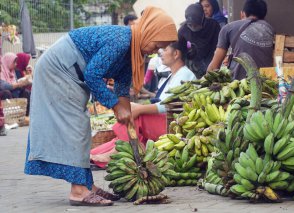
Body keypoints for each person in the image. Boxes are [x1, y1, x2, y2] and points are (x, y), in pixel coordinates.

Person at [24, 7, 178, 207]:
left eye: (161, 47)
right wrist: (115, 106)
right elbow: (93, 75)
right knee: (77, 125)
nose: (155, 50)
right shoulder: (122, 40)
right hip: (59, 69)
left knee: (80, 126)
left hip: (72, 72)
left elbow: (122, 88)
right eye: (157, 44)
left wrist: (127, 115)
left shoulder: (132, 51)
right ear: (148, 31)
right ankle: (79, 191)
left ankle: (88, 185)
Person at [90, 39, 197, 167]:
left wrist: (140, 109)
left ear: (176, 54)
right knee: (113, 143)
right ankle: (98, 154)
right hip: (163, 120)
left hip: (172, 125)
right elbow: (160, 99)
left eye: (166, 49)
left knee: (134, 116)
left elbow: (168, 106)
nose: (161, 52)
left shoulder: (185, 75)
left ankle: (125, 152)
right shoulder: (172, 75)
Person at [207, 0, 274, 80]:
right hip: (266, 83)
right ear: (263, 16)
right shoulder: (270, 29)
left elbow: (214, 67)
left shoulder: (228, 28)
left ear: (242, 14)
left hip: (240, 84)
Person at [178, 3, 220, 78]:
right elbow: (180, 52)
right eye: (190, 25)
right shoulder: (183, 31)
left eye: (196, 25)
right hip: (195, 65)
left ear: (203, 19)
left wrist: (212, 64)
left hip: (213, 60)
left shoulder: (214, 25)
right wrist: (189, 51)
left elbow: (219, 47)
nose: (193, 27)